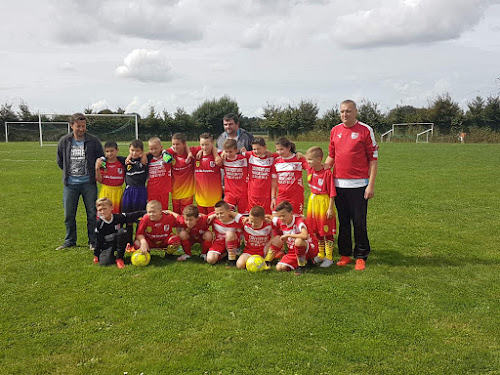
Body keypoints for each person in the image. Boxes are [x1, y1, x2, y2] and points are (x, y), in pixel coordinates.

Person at [324, 99, 378, 271]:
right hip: (339, 185)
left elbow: (373, 160)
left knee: (359, 222)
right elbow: (331, 157)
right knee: (343, 222)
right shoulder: (335, 131)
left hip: (359, 185)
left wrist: (370, 185)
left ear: (355, 112)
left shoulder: (365, 130)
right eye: (342, 111)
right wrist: (321, 171)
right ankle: (345, 254)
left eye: (348, 111)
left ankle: (361, 256)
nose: (344, 114)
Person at [56, 113, 104, 250]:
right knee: (69, 214)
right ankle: (70, 240)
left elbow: (101, 157)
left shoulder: (93, 141)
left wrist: (97, 167)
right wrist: (69, 172)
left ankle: (93, 241)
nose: (81, 129)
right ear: (72, 126)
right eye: (78, 126)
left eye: (83, 126)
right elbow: (60, 160)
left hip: (89, 183)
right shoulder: (64, 141)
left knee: (92, 213)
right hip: (70, 184)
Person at [305, 146, 336, 268]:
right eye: (307, 160)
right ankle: (321, 254)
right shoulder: (310, 170)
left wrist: (330, 208)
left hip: (324, 202)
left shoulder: (327, 173)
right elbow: (300, 159)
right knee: (316, 230)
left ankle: (329, 257)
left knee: (326, 230)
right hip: (313, 203)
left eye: (310, 160)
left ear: (319, 159)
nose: (308, 162)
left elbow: (332, 192)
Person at [94, 198, 145, 268]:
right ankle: (110, 256)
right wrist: (96, 255)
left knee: (123, 231)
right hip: (107, 245)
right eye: (100, 210)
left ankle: (119, 258)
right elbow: (98, 240)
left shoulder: (118, 217)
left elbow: (132, 215)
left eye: (105, 209)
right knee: (105, 263)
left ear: (111, 208)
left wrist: (147, 212)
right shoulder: (99, 224)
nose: (102, 212)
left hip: (119, 241)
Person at [273, 201, 318, 275]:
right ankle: (307, 261)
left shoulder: (299, 221)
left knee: (298, 241)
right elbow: (269, 219)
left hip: (310, 247)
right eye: (279, 216)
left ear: (291, 213)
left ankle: (302, 267)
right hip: (293, 251)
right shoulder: (281, 222)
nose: (281, 218)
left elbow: (304, 236)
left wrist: (288, 236)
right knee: (280, 268)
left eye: (283, 216)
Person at [237, 206, 281, 270]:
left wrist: (269, 217)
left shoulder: (268, 224)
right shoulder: (245, 223)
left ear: (263, 219)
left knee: (278, 238)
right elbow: (231, 214)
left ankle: (267, 261)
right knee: (240, 265)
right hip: (249, 252)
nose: (253, 224)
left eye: (256, 222)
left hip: (264, 251)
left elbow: (282, 222)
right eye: (251, 221)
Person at [122, 139, 149, 245]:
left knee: (140, 219)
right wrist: (128, 157)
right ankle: (128, 242)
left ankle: (138, 241)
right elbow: (109, 157)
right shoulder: (125, 161)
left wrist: (144, 155)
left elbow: (155, 150)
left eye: (137, 151)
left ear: (141, 151)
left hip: (141, 192)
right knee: (128, 219)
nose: (134, 153)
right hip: (129, 193)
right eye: (132, 150)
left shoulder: (145, 161)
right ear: (129, 150)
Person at [273, 137, 308, 215]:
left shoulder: (299, 159)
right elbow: (274, 182)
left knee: (296, 218)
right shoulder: (276, 161)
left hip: (296, 196)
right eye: (277, 150)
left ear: (289, 148)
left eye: (281, 149)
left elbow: (312, 168)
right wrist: (273, 197)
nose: (279, 152)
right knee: (279, 217)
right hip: (281, 196)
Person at [244, 137, 278, 215]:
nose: (256, 151)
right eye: (254, 149)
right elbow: (234, 152)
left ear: (265, 147)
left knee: (266, 217)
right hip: (252, 194)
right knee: (254, 217)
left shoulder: (272, 157)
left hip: (266, 195)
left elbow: (285, 153)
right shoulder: (249, 155)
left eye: (259, 149)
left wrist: (297, 153)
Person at [206, 200, 243, 266]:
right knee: (210, 260)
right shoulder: (214, 219)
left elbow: (246, 221)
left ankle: (232, 260)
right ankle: (224, 254)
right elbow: (203, 220)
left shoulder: (236, 221)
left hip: (233, 242)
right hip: (219, 243)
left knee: (229, 234)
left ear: (229, 211)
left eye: (221, 213)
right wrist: (213, 215)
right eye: (217, 214)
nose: (219, 216)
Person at [193, 133, 223, 214]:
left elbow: (225, 153)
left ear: (212, 143)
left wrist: (215, 153)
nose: (204, 147)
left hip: (214, 199)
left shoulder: (218, 155)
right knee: (202, 224)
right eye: (202, 145)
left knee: (215, 224)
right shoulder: (196, 156)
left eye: (207, 144)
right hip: (200, 199)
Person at [168, 133, 196, 214]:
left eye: (178, 144)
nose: (175, 147)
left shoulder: (192, 152)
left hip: (188, 193)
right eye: (173, 144)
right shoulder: (170, 155)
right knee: (176, 216)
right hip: (175, 192)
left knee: (186, 215)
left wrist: (189, 152)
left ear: (184, 144)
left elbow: (208, 146)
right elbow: (159, 151)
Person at [95, 141, 126, 214]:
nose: (110, 153)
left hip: (118, 191)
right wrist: (97, 169)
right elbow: (99, 180)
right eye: (107, 151)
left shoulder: (122, 162)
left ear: (117, 150)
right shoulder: (103, 164)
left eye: (112, 151)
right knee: (104, 212)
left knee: (117, 214)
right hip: (106, 190)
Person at [222, 139, 249, 214]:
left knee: (245, 218)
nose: (228, 154)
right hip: (229, 194)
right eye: (226, 151)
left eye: (230, 151)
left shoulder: (243, 158)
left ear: (236, 150)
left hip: (243, 194)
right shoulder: (223, 159)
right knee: (227, 215)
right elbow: (212, 149)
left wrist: (245, 152)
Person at [146, 137, 172, 210]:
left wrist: (163, 151)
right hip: (151, 190)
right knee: (152, 209)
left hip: (163, 191)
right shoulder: (148, 160)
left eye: (156, 148)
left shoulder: (165, 158)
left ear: (161, 147)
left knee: (163, 210)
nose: (154, 151)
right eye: (151, 149)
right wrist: (145, 154)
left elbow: (169, 159)